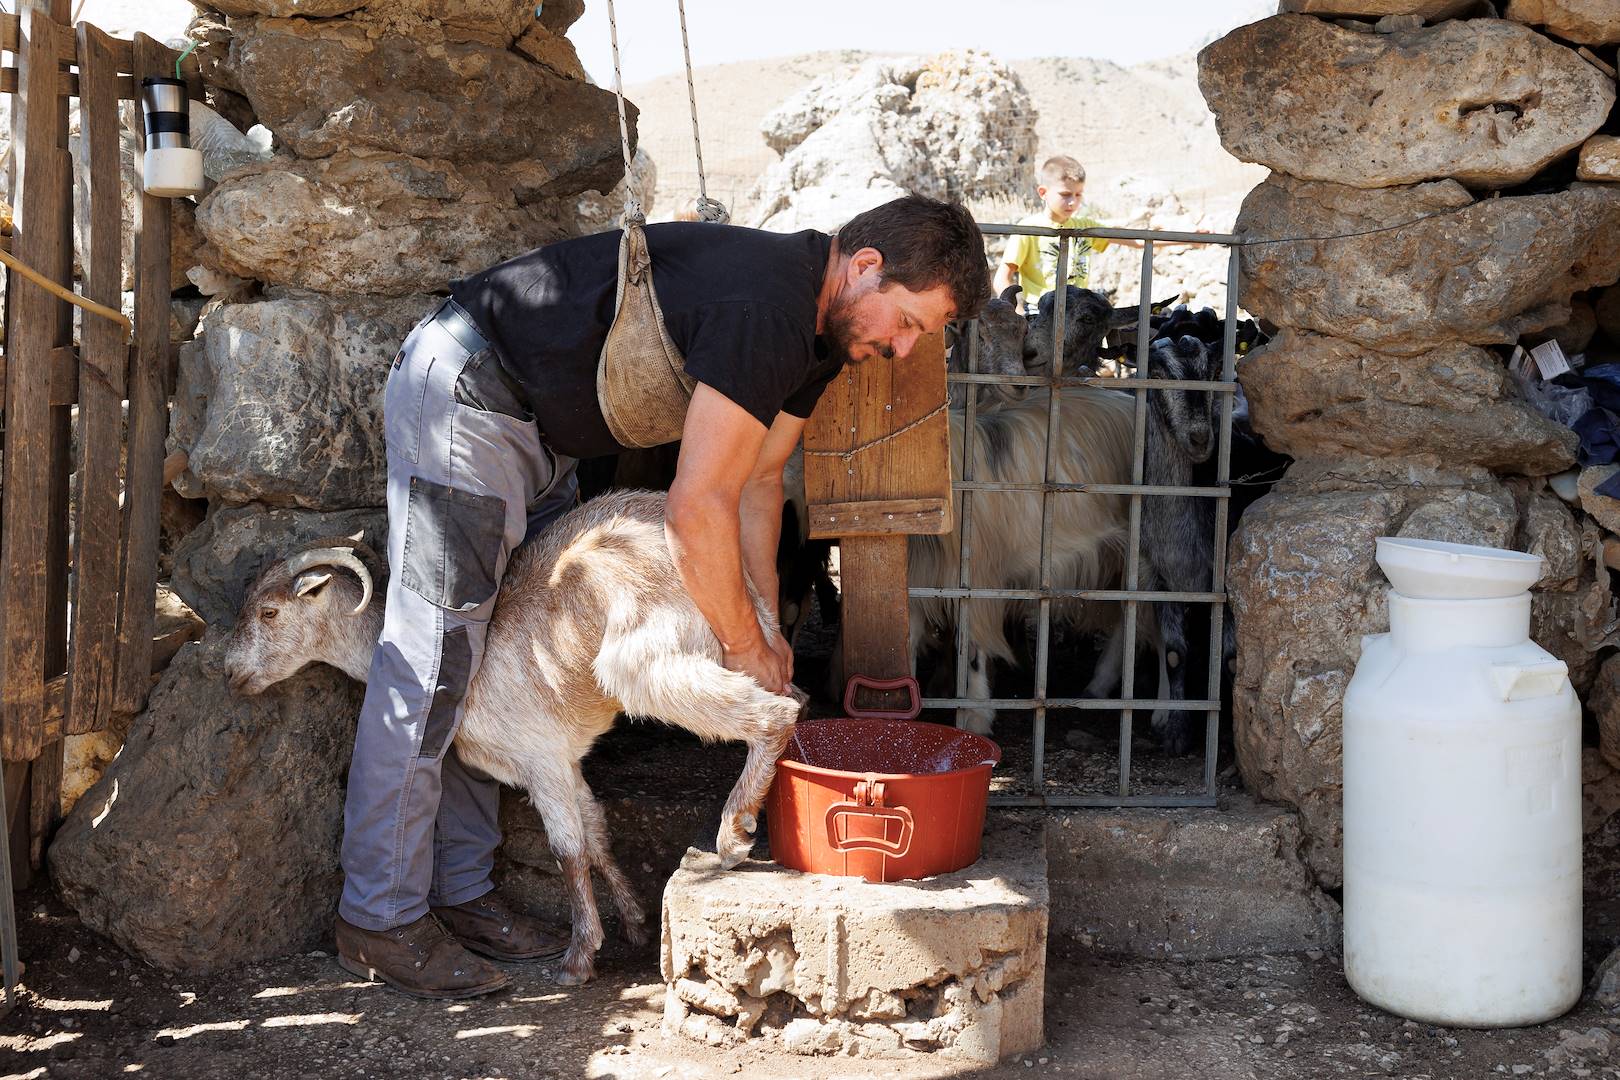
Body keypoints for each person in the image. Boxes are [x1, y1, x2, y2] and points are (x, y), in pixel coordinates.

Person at [333, 194, 991, 1000]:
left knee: (491, 652)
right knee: (436, 662)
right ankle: (379, 918)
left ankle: (462, 893)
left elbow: (754, 487)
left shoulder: (818, 338)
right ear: (865, 266)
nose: (902, 347)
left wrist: (762, 626)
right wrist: (741, 648)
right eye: (909, 322)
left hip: (544, 434)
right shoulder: (768, 311)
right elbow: (695, 504)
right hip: (473, 400)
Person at [992, 154, 1157, 310]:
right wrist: (1017, 312)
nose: (1073, 202)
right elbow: (1002, 278)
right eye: (1065, 194)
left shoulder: (1085, 226)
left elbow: (1137, 241)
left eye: (1078, 195)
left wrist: (1181, 237)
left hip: (1077, 311)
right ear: (1043, 193)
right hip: (1038, 312)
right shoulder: (1028, 229)